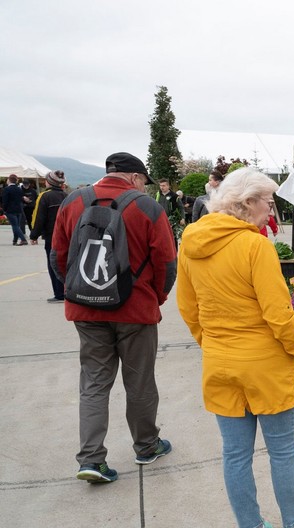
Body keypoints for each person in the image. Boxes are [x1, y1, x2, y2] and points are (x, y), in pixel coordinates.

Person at [176, 166, 294, 528]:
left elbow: (188, 308)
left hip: (220, 363)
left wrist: (212, 343)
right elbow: (278, 313)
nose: (271, 210)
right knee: (282, 450)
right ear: (247, 203)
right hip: (264, 364)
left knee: (235, 454)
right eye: (267, 202)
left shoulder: (191, 243)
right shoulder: (254, 246)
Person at [50, 152, 178, 483]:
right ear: (134, 177)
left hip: (86, 310)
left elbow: (58, 254)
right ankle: (146, 446)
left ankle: (91, 460)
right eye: (144, 181)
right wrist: (156, 297)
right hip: (135, 311)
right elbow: (166, 262)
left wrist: (76, 290)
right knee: (140, 381)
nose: (145, 187)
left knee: (93, 382)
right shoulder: (147, 207)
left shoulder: (72, 202)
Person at [28, 170, 68, 302]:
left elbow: (39, 217)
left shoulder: (44, 196)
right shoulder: (67, 196)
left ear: (49, 182)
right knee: (67, 263)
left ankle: (59, 294)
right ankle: (68, 292)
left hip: (52, 236)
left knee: (53, 264)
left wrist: (34, 235)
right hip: (68, 236)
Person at [3, 174, 28, 245]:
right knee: (17, 225)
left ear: (9, 180)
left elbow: (5, 201)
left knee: (14, 225)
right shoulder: (19, 189)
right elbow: (21, 199)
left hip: (10, 210)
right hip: (18, 209)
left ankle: (23, 239)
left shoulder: (6, 189)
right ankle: (15, 240)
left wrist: (4, 209)